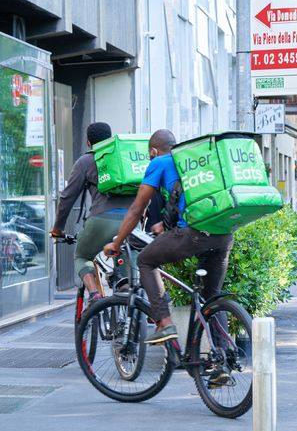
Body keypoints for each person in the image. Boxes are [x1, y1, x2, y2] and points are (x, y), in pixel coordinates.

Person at [102, 130, 234, 362]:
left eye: (149, 155)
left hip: (193, 235)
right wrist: (165, 223)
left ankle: (164, 323)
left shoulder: (160, 162)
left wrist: (117, 241)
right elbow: (190, 197)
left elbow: (136, 209)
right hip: (224, 234)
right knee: (211, 296)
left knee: (145, 261)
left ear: (153, 151)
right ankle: (222, 359)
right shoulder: (193, 162)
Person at [50, 122, 134, 303]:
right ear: (111, 138)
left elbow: (67, 198)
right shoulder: (123, 158)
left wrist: (58, 228)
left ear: (88, 143)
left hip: (102, 220)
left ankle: (94, 294)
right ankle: (125, 285)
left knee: (82, 256)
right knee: (124, 254)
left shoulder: (86, 161)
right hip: (132, 220)